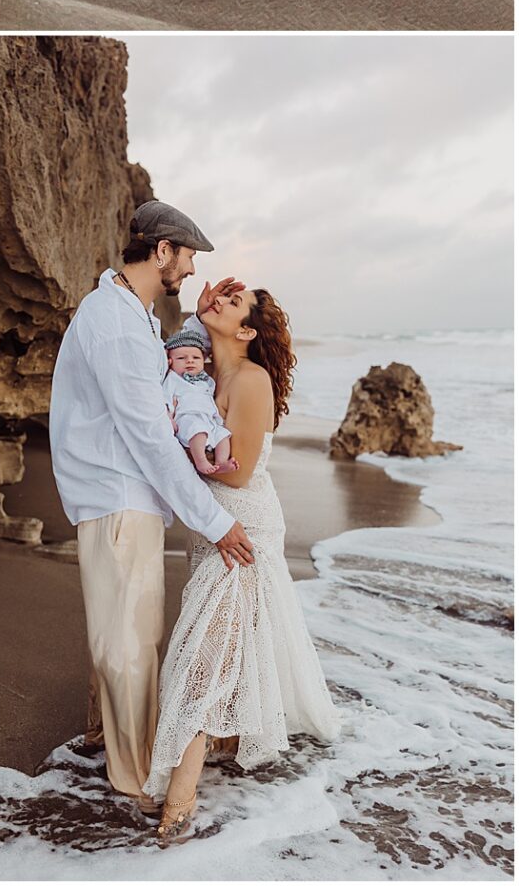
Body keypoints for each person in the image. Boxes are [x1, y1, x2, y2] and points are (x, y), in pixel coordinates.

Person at [48, 202, 254, 815]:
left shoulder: (129, 312)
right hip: (118, 496)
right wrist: (216, 523)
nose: (192, 269)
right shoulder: (113, 320)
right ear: (161, 251)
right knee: (130, 645)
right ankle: (138, 788)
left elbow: (164, 379)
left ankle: (113, 749)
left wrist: (199, 318)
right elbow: (152, 438)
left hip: (123, 495)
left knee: (131, 636)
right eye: (189, 256)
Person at [147, 284, 340, 847]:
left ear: (248, 331)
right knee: (222, 644)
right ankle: (223, 739)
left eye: (233, 303)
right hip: (210, 528)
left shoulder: (250, 379)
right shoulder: (201, 375)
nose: (219, 300)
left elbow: (236, 472)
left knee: (200, 657)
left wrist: (170, 452)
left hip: (243, 531)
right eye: (220, 292)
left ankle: (180, 798)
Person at [164, 318, 234, 477]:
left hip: (209, 419)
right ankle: (201, 461)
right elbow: (165, 398)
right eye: (181, 358)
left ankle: (221, 462)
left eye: (195, 358)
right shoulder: (173, 379)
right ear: (170, 362)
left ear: (203, 360)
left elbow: (209, 397)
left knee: (223, 435)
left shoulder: (206, 380)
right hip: (187, 418)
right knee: (198, 431)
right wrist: (169, 416)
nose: (189, 360)